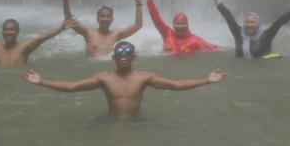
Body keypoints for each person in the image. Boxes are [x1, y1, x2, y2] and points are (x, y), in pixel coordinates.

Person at [21, 40, 226, 118]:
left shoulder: (144, 77)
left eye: (128, 53)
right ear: (114, 57)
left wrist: (205, 80)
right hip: (110, 121)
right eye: (120, 53)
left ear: (134, 57)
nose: (123, 56)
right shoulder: (104, 78)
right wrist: (43, 82)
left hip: (137, 121)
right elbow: (73, 86)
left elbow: (176, 85)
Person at [212, 0, 290, 58]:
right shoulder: (239, 33)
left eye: (252, 22)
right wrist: (217, 0)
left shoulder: (266, 36)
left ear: (258, 24)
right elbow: (228, 16)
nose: (249, 25)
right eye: (247, 22)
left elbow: (279, 22)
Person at [64, 0, 143, 58]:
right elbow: (69, 21)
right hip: (92, 66)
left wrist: (138, 2)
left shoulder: (116, 34)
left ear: (112, 20)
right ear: (97, 19)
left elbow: (138, 25)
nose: (105, 19)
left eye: (108, 16)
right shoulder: (88, 32)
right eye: (102, 16)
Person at [145, 0, 220, 54]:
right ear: (173, 24)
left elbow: (214, 48)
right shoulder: (167, 33)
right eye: (177, 23)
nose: (180, 26)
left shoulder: (196, 41)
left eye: (183, 23)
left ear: (187, 25)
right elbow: (156, 18)